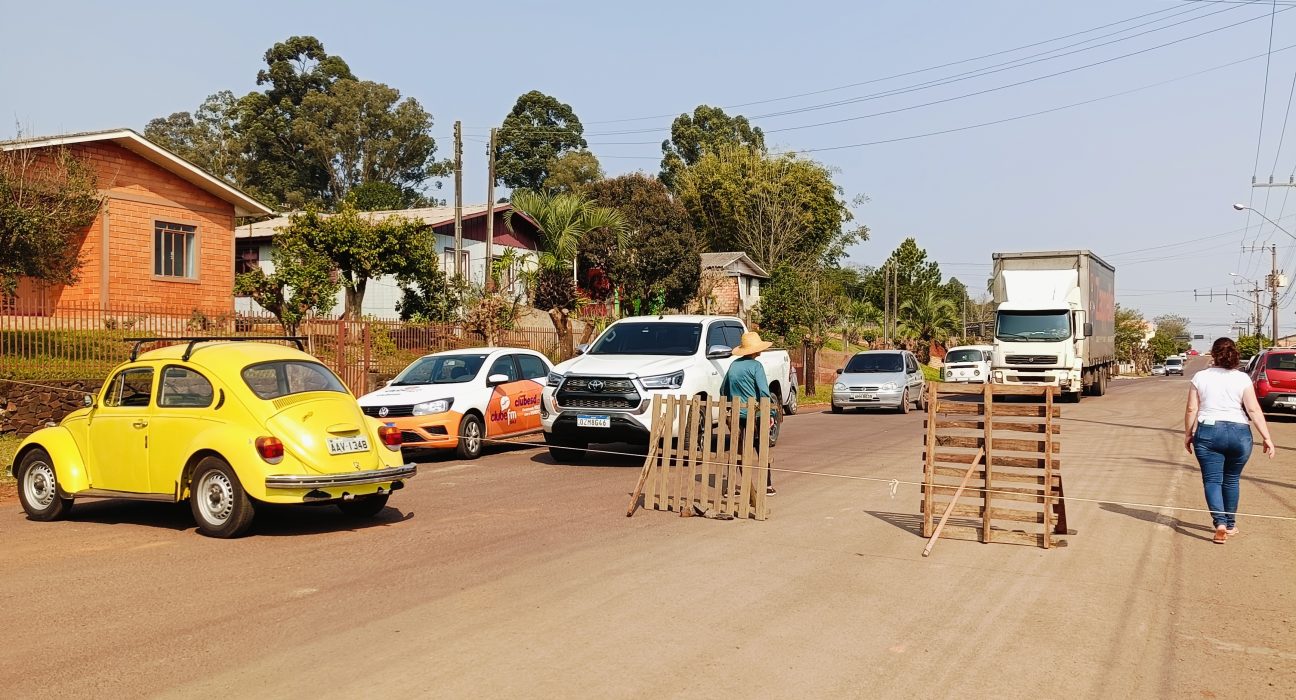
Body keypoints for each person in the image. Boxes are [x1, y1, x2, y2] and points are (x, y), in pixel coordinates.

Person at [1184, 337, 1275, 544]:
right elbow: (1252, 409)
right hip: (1240, 432)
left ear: (1213, 354)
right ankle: (1231, 524)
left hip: (1208, 431)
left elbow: (1192, 409)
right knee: (1232, 479)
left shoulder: (1200, 376)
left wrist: (1188, 434)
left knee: (1212, 480)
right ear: (1234, 353)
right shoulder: (1242, 378)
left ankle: (1220, 524)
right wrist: (1266, 437)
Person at [721, 331, 778, 496]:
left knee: (737, 449)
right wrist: (768, 415)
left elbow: (723, 389)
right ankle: (767, 485)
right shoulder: (756, 366)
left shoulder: (733, 366)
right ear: (755, 350)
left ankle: (732, 486)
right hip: (755, 414)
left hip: (737, 413)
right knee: (761, 448)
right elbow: (764, 392)